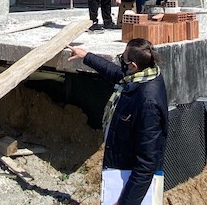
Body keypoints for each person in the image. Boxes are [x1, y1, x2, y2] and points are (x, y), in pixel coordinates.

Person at [67, 39, 168, 205]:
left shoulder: (148, 104)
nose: (121, 61)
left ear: (133, 66)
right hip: (120, 168)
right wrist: (86, 56)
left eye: (124, 58)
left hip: (127, 178)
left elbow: (146, 163)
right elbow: (115, 73)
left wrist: (125, 201)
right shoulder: (145, 74)